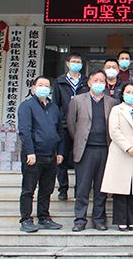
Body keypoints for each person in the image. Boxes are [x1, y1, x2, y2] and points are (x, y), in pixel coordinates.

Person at [67, 70, 117, 232]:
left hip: (105, 150)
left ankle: (99, 219)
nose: (98, 83)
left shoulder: (112, 102)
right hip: (85, 150)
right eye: (95, 80)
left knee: (101, 188)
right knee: (83, 187)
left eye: (102, 81)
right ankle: (80, 220)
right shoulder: (77, 100)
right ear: (89, 83)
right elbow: (71, 124)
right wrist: (80, 139)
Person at [17, 76, 65, 233]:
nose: (44, 88)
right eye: (40, 85)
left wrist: (60, 152)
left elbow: (60, 131)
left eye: (47, 85)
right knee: (28, 189)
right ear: (33, 88)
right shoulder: (27, 106)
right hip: (34, 155)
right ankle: (26, 219)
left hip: (51, 155)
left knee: (47, 189)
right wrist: (30, 152)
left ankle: (44, 217)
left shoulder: (53, 107)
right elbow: (25, 131)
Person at [100, 83, 133, 231]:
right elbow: (114, 131)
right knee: (120, 189)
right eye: (128, 92)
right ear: (122, 94)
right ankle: (121, 221)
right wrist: (128, 147)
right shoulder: (116, 110)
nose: (131, 94)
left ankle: (131, 221)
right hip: (121, 152)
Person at [51, 52, 89, 201]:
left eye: (78, 62)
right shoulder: (60, 82)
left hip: (81, 125)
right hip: (64, 125)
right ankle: (63, 188)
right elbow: (55, 104)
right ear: (67, 63)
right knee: (62, 157)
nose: (76, 64)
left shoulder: (86, 82)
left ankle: (79, 188)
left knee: (80, 158)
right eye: (73, 61)